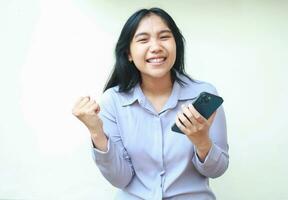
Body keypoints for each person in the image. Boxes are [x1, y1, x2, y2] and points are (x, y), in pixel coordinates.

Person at [72, 7, 229, 200]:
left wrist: (202, 142)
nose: (155, 47)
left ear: (176, 45)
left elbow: (217, 170)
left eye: (164, 37)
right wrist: (96, 132)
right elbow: (120, 179)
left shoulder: (203, 94)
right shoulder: (112, 101)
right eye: (143, 39)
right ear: (128, 53)